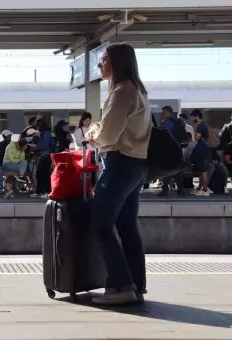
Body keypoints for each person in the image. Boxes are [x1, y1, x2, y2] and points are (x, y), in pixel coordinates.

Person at [85, 43, 151, 305]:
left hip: (120, 163)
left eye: (103, 60)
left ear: (116, 62)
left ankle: (121, 286)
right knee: (127, 226)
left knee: (100, 225)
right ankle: (136, 285)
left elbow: (107, 134)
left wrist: (92, 134)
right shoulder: (138, 90)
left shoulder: (122, 92)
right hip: (137, 165)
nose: (100, 65)